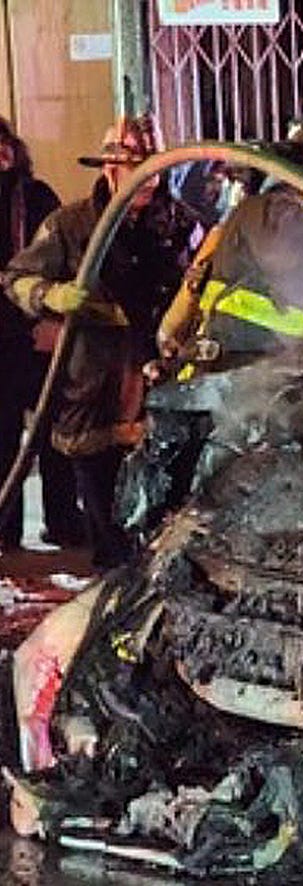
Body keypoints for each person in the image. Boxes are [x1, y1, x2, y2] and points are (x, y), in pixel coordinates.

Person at [130, 121, 303, 537]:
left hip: (265, 402)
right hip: (230, 403)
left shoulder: (301, 223)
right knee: (214, 533)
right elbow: (296, 252)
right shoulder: (270, 211)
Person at [2, 116, 193, 570]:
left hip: (160, 383)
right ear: (110, 169)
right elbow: (15, 277)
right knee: (105, 512)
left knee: (160, 509)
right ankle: (112, 577)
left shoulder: (180, 224)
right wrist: (51, 295)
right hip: (94, 383)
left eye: (155, 168)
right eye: (136, 168)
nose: (149, 179)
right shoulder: (71, 226)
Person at [0, 117, 81, 551]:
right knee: (2, 439)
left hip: (35, 333)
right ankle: (6, 529)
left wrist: (51, 316)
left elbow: (62, 262)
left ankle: (63, 519)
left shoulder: (35, 197)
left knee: (55, 432)